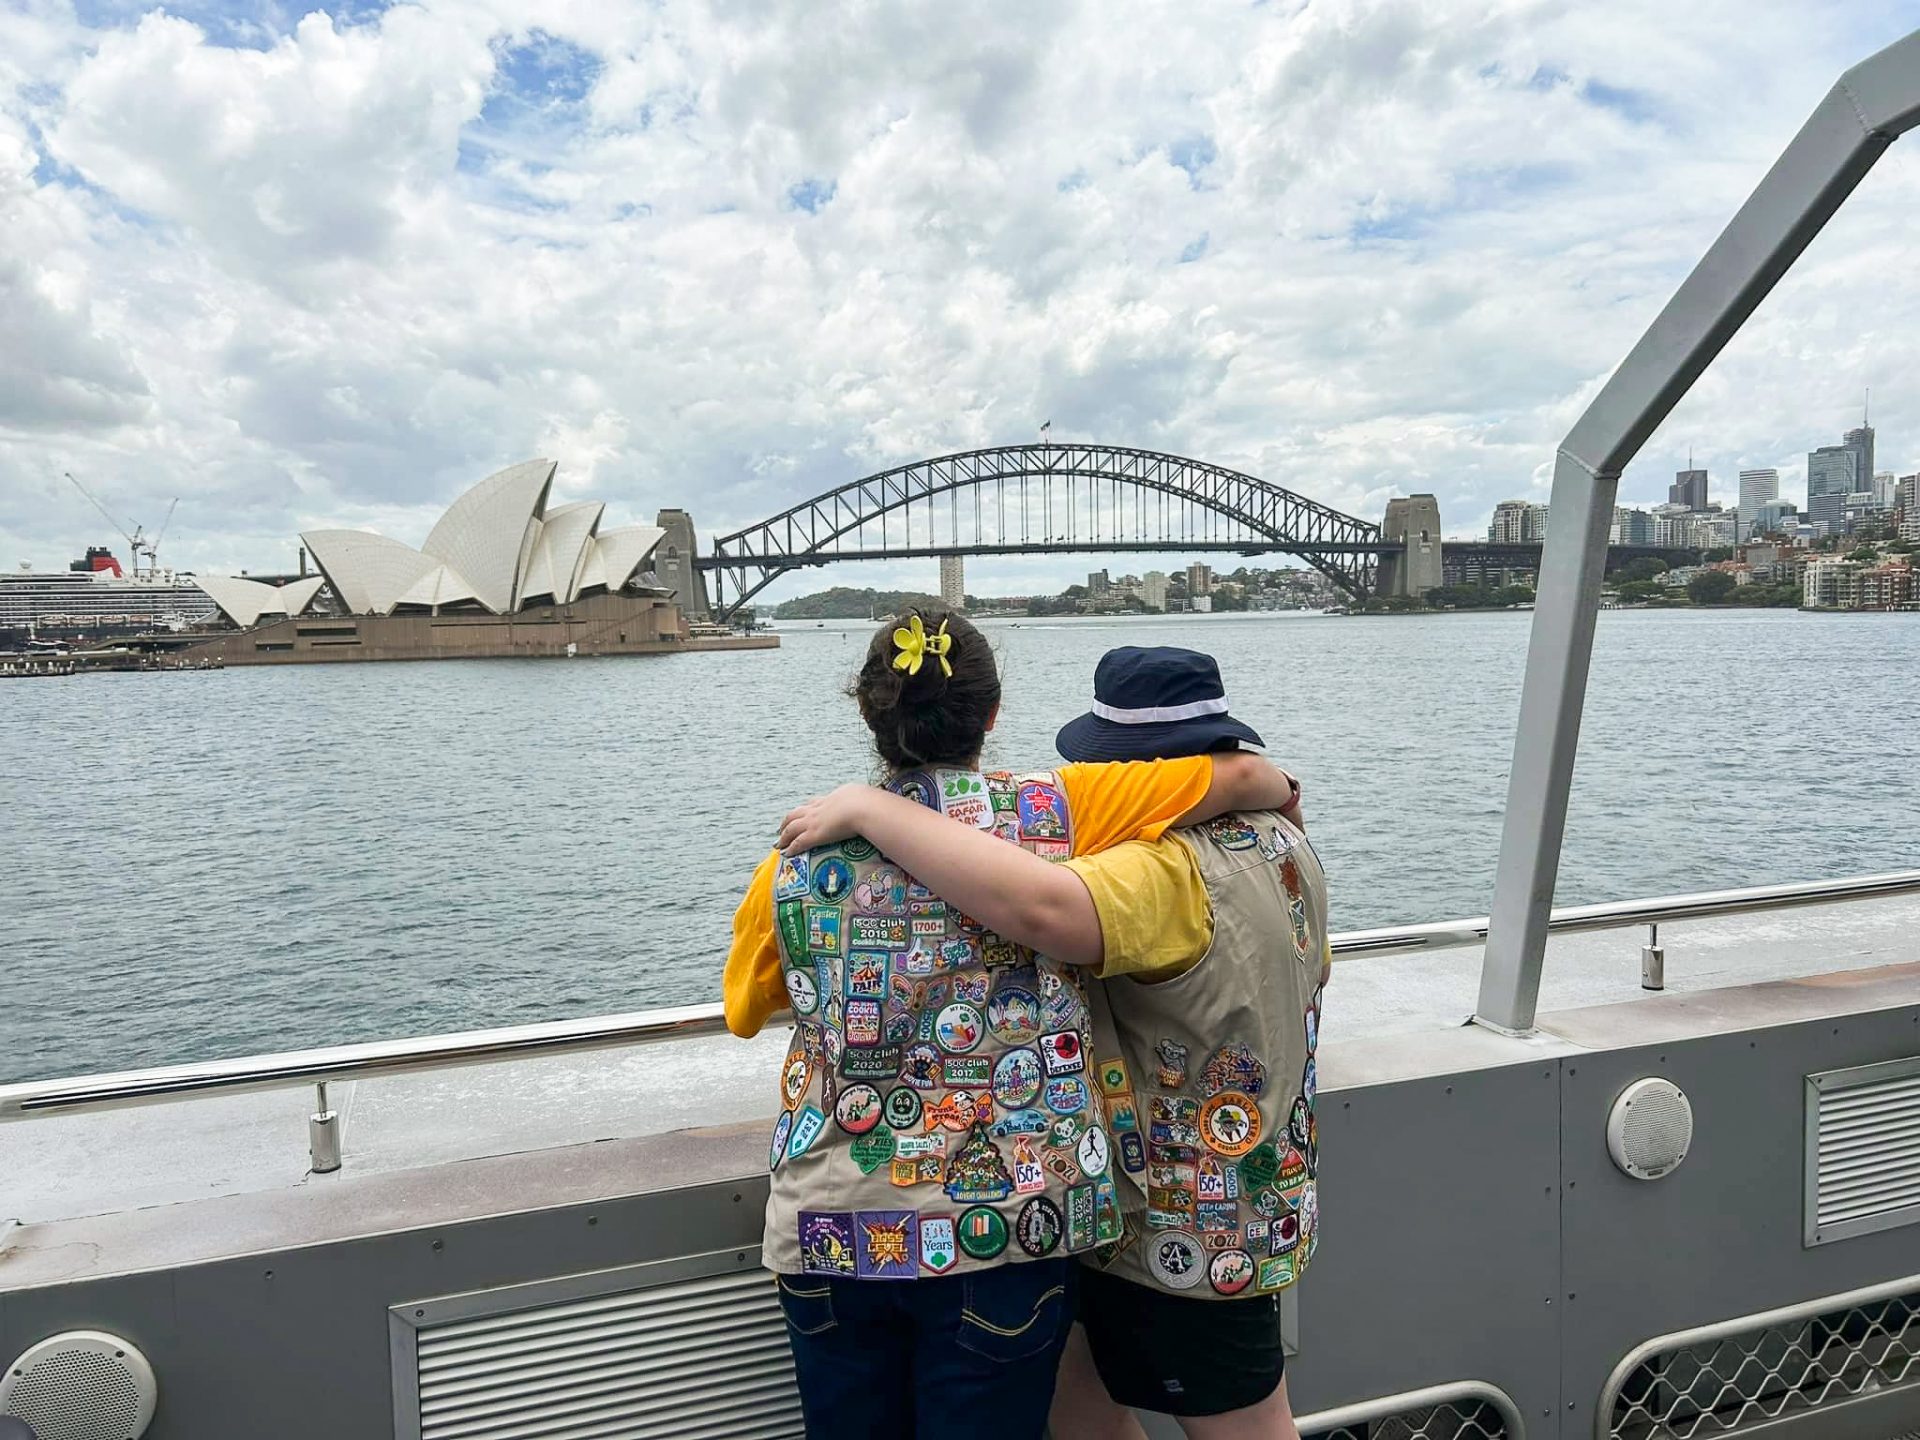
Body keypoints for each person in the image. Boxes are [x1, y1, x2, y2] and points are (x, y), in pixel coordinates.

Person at [724, 612, 1301, 1440]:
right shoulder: (1065, 809)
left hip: (833, 1226)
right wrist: (1287, 798)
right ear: (991, 715)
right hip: (1004, 1227)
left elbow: (748, 1007)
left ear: (871, 716)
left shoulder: (790, 861)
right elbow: (1242, 777)